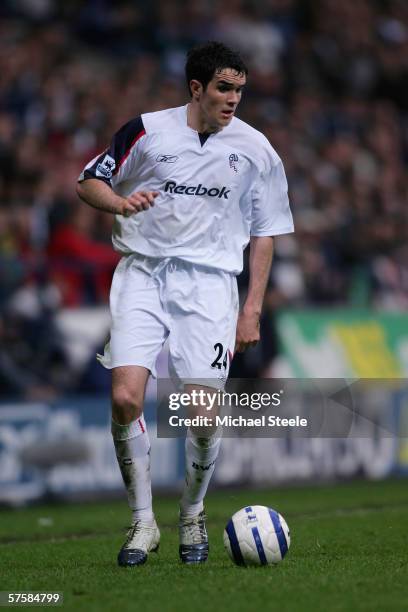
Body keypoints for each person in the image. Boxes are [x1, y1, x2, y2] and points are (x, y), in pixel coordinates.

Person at [76, 41, 294, 567]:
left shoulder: (257, 149)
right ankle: (142, 522)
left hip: (210, 285)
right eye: (224, 87)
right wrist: (121, 202)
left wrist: (252, 309)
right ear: (196, 88)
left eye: (240, 89)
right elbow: (89, 181)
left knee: (200, 412)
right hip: (143, 276)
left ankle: (191, 513)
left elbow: (266, 233)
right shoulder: (147, 131)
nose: (233, 98)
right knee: (126, 398)